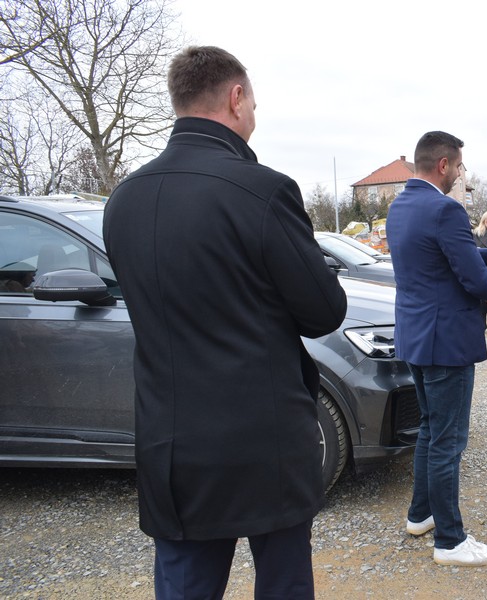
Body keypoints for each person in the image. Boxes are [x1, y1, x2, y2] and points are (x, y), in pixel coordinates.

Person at [103, 46, 347, 600]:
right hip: (264, 440)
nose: (254, 115)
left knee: (184, 587)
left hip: (170, 442)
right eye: (253, 103)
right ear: (236, 98)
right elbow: (322, 312)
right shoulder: (262, 190)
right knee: (283, 585)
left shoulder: (123, 199)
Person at [386, 131, 487, 567]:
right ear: (443, 165)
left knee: (430, 430)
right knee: (448, 440)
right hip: (446, 341)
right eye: (458, 166)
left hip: (416, 336)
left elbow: (437, 260)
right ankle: (451, 541)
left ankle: (421, 514)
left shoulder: (400, 206)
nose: (459, 173)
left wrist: (484, 255)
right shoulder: (446, 209)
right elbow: (471, 277)